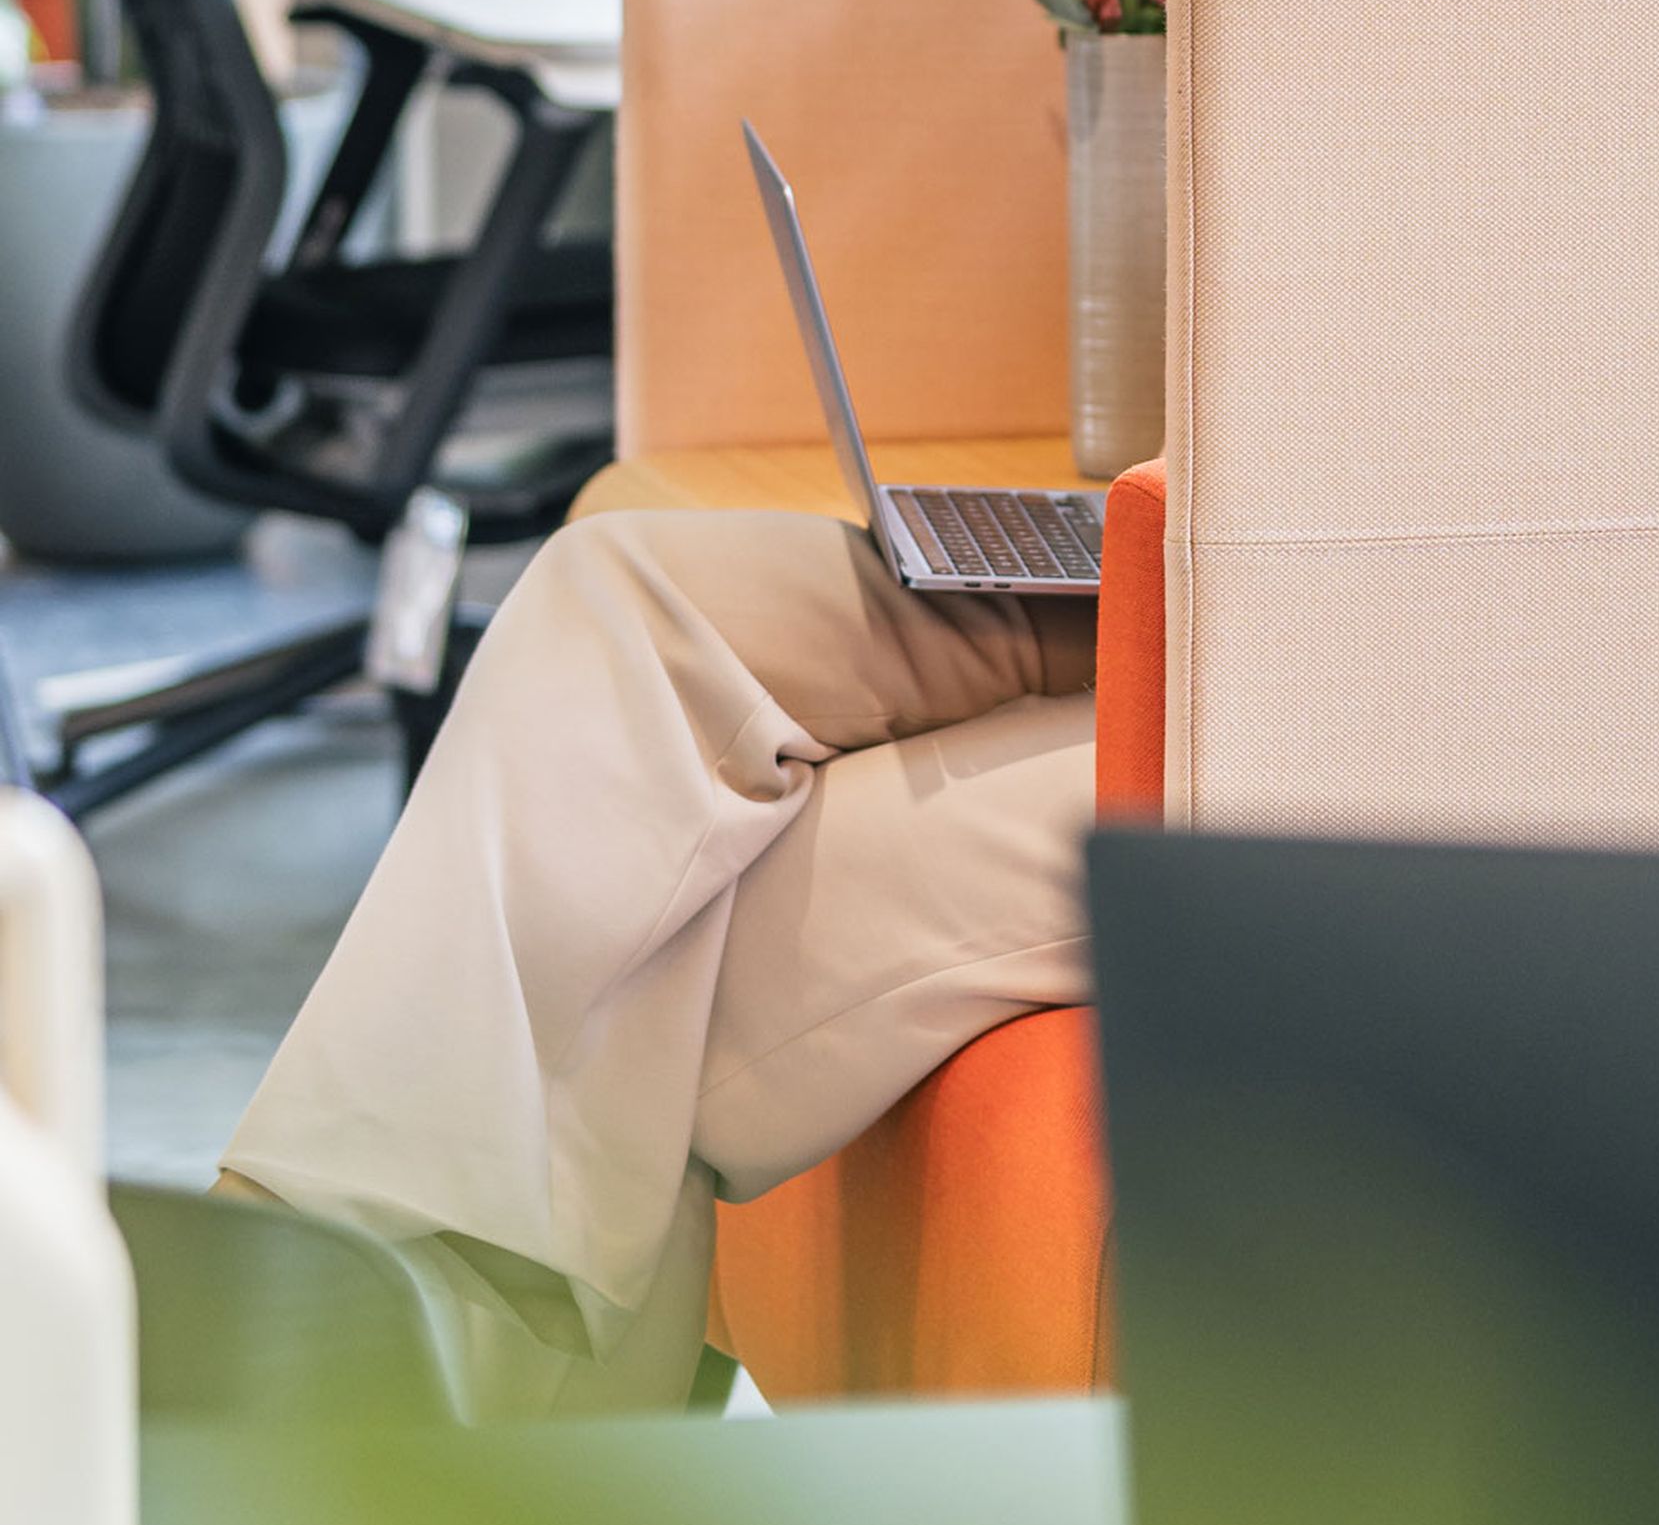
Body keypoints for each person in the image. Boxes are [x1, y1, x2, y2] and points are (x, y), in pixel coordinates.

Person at [219, 506, 1098, 1417]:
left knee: (659, 959)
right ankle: (342, 1295)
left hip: (1252, 726)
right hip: (1178, 558)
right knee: (612, 586)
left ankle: (310, 1289)